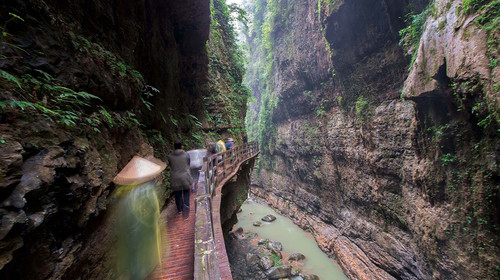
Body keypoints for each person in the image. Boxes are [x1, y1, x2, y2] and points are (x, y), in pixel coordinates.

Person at [167, 141, 193, 215]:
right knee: (186, 193)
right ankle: (186, 208)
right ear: (181, 147)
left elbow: (171, 166)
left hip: (175, 178)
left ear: (174, 148)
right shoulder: (186, 155)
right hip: (185, 177)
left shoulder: (170, 156)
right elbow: (188, 164)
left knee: (177, 194)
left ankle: (179, 210)